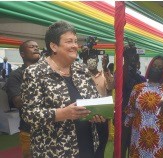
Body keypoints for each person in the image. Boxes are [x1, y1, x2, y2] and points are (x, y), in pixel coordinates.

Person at [21, 21, 104, 158]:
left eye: (76, 41)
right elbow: (29, 115)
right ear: (54, 46)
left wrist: (97, 111)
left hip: (87, 145)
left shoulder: (81, 69)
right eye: (69, 41)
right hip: (55, 151)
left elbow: (93, 98)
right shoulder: (35, 72)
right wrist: (62, 113)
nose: (75, 46)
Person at [123, 56, 163, 158]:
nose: (156, 69)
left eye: (160, 68)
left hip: (161, 140)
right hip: (139, 137)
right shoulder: (138, 88)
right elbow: (129, 114)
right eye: (154, 66)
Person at [6, 40, 40, 158]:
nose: (36, 48)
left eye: (37, 46)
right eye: (32, 47)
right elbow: (18, 102)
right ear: (22, 54)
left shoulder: (46, 72)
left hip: (50, 129)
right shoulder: (16, 75)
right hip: (29, 131)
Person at [80, 49, 114, 158]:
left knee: (101, 143)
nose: (91, 61)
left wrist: (105, 68)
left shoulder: (104, 75)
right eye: (88, 58)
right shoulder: (80, 75)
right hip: (85, 115)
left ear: (98, 60)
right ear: (84, 60)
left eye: (94, 58)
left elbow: (112, 86)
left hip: (101, 116)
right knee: (86, 145)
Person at [121, 43, 146, 158]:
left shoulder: (142, 79)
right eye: (131, 60)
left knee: (134, 145)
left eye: (135, 60)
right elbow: (123, 80)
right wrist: (126, 60)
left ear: (139, 64)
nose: (133, 63)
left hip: (137, 116)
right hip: (123, 114)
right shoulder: (122, 73)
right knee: (121, 146)